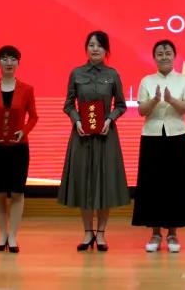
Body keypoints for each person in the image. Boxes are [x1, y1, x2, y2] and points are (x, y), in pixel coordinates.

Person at [57, 30, 129, 252]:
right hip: (82, 137)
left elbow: (121, 105)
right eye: (91, 45)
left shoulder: (113, 74)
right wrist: (77, 120)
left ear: (106, 50)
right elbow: (68, 104)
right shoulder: (76, 73)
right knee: (85, 182)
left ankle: (101, 234)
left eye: (99, 45)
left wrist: (110, 118)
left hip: (106, 137)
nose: (95, 49)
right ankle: (88, 232)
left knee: (104, 183)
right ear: (86, 49)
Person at [132, 39, 185, 252]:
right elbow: (141, 111)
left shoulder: (184, 80)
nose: (164, 57)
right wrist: (154, 100)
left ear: (174, 56)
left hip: (177, 136)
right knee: (152, 185)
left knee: (175, 185)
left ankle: (173, 234)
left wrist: (171, 100)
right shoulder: (147, 81)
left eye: (168, 53)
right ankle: (155, 233)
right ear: (154, 58)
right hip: (152, 136)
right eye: (160, 54)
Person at [0, 44, 38, 253]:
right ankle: (2, 234)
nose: (9, 62)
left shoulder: (27, 89)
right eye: (4, 58)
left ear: (18, 63)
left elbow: (34, 116)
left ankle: (13, 236)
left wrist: (25, 131)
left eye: (13, 58)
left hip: (19, 148)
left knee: (18, 193)